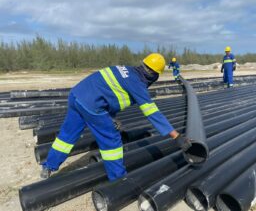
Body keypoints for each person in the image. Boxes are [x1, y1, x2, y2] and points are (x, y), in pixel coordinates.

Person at [41, 53, 192, 181]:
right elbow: (153, 113)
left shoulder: (125, 69)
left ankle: (48, 166)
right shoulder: (137, 84)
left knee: (66, 136)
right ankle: (118, 179)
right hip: (91, 105)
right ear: (154, 75)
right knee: (111, 141)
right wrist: (176, 136)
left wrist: (111, 117)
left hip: (76, 95)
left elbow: (107, 92)